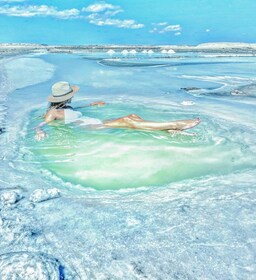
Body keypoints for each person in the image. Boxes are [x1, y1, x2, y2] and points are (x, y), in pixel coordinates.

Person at [35, 81, 201, 141]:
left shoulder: (67, 108)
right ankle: (176, 124)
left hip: (93, 121)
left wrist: (92, 105)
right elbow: (42, 123)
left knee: (132, 117)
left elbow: (73, 111)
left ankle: (169, 131)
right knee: (127, 121)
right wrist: (40, 131)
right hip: (89, 127)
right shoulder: (53, 113)